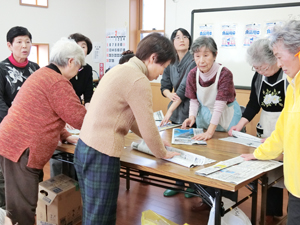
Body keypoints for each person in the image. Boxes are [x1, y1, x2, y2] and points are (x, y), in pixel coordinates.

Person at [74, 33, 180, 225]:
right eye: (163, 67)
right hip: (101, 153)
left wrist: (155, 142)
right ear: (153, 58)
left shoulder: (119, 69)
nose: (162, 73)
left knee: (91, 212)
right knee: (101, 218)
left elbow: (130, 118)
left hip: (84, 147)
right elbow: (148, 125)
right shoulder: (138, 80)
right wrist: (162, 152)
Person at [0, 38, 86, 225]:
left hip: (13, 142)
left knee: (15, 203)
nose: (78, 73)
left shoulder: (42, 74)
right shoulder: (57, 82)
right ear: (71, 61)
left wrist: (65, 134)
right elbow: (80, 119)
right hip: (21, 147)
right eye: (79, 68)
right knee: (22, 208)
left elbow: (46, 113)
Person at [241, 20, 300, 225]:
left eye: (278, 57)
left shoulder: (290, 80)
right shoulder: (292, 84)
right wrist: (258, 153)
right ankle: (270, 212)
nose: (279, 63)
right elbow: (280, 130)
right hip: (271, 132)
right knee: (272, 181)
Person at [228, 38, 287, 223]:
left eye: (264, 68)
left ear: (275, 60)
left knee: (288, 170)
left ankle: (288, 212)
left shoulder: (289, 75)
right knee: (268, 172)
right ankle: (271, 212)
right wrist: (241, 123)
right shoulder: (259, 76)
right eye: (257, 68)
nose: (260, 71)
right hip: (266, 125)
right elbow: (254, 104)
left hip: (285, 125)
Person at [0, 26, 40, 208]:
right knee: (7, 177)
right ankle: (6, 213)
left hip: (33, 132)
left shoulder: (35, 68)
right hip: (9, 131)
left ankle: (29, 211)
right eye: (19, 42)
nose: (24, 46)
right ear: (9, 45)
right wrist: (15, 125)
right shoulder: (1, 69)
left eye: (28, 41)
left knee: (31, 174)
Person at [182, 36, 242, 141]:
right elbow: (194, 100)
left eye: (206, 55)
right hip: (205, 119)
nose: (201, 61)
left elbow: (219, 106)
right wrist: (192, 117)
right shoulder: (192, 74)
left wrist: (209, 132)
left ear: (215, 55)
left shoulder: (224, 74)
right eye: (197, 56)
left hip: (226, 117)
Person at [160, 28, 196, 198]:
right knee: (176, 148)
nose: (182, 40)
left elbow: (183, 90)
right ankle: (179, 183)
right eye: (177, 37)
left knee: (193, 149)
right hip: (175, 108)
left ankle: (194, 186)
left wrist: (169, 111)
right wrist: (169, 94)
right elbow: (164, 86)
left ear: (189, 41)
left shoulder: (194, 61)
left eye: (185, 37)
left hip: (191, 110)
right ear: (172, 41)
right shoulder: (170, 61)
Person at [68, 33, 94, 109]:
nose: (80, 50)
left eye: (83, 47)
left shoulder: (87, 69)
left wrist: (88, 112)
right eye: (77, 47)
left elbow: (88, 94)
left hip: (77, 105)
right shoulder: (64, 67)